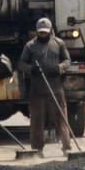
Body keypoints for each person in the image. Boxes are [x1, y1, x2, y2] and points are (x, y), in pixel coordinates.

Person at [16, 17, 72, 153]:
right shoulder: (30, 46)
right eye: (40, 32)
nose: (43, 34)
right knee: (37, 120)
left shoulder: (59, 43)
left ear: (50, 30)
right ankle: (37, 149)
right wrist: (31, 69)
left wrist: (59, 68)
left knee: (61, 119)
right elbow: (21, 64)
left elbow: (67, 60)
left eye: (45, 32)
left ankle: (67, 147)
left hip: (56, 88)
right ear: (36, 31)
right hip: (37, 89)